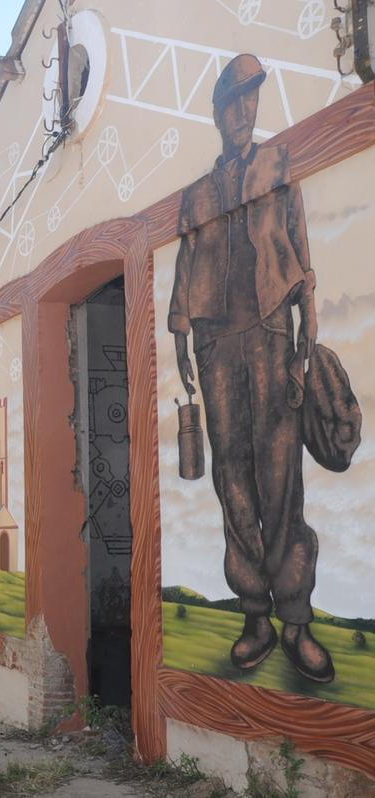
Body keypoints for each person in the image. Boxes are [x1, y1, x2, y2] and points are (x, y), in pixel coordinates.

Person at [168, 53, 332, 682]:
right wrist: (182, 350)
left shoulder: (277, 165)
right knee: (231, 477)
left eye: (252, 98)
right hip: (216, 345)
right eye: (234, 100)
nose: (244, 110)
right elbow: (184, 273)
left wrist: (306, 335)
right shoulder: (197, 195)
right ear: (216, 111)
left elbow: (301, 250)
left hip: (269, 333)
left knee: (281, 473)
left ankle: (295, 618)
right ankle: (255, 614)